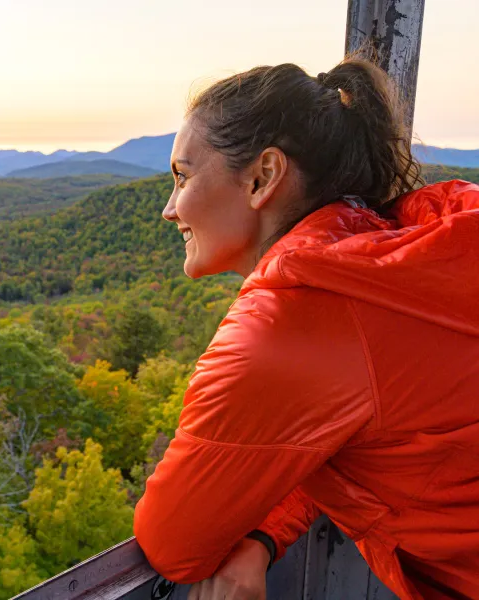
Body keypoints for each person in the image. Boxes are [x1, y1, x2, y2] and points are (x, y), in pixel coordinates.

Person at [132, 53, 479, 600]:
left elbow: (173, 541)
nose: (170, 209)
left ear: (262, 177)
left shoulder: (295, 319)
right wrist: (267, 534)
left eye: (183, 177)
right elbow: (350, 426)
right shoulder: (405, 252)